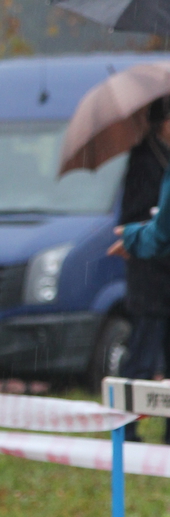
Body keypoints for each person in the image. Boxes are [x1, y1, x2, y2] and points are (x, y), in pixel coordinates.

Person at [108, 99, 170, 437]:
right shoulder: (143, 160)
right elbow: (130, 219)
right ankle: (127, 431)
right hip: (149, 281)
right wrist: (152, 223)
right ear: (162, 123)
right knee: (142, 362)